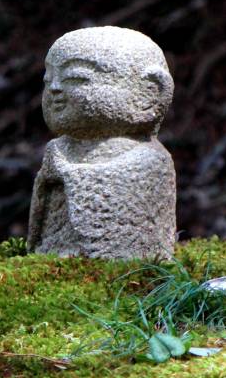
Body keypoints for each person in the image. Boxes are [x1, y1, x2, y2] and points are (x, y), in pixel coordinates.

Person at [28, 26, 177, 259]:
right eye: (48, 80)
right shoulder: (57, 150)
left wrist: (68, 173)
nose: (55, 88)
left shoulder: (149, 158)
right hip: (52, 267)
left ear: (149, 93)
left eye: (75, 78)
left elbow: (122, 212)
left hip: (121, 269)